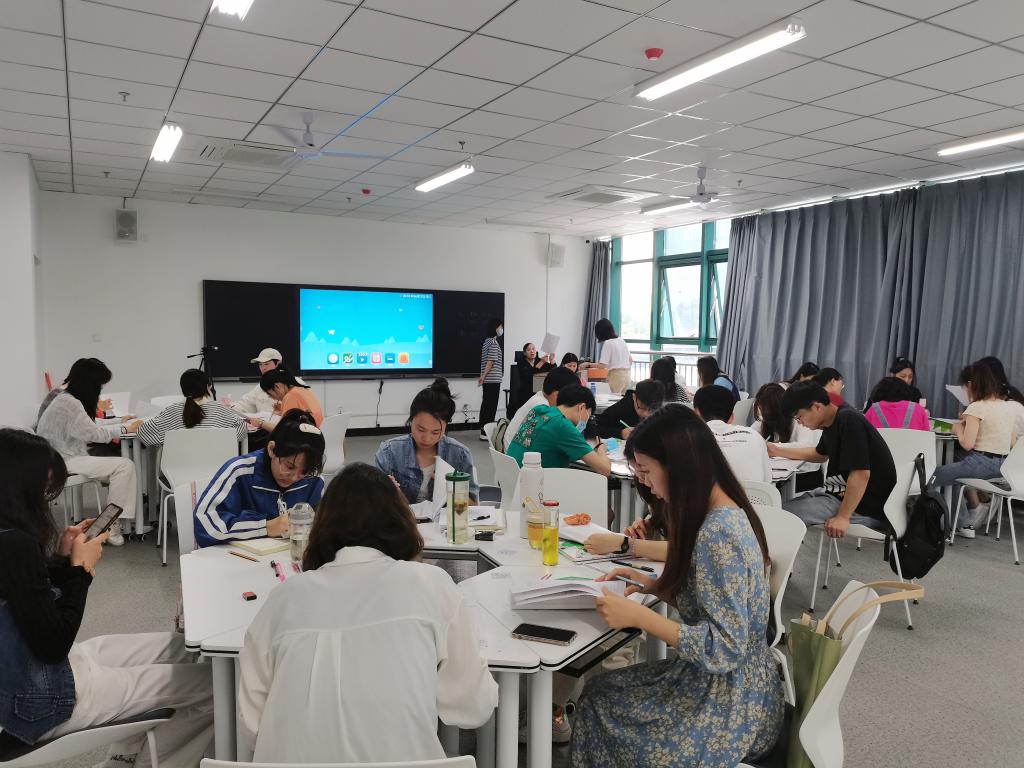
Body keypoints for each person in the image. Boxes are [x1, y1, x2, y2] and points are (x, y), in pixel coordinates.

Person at [237, 462, 497, 763]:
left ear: (321, 527)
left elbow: (252, 727)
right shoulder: (430, 585)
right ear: (401, 523)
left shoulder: (284, 598)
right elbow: (472, 708)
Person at [568, 405, 783, 766]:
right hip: (735, 684)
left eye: (646, 471)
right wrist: (653, 586)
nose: (646, 483)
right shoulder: (718, 511)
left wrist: (640, 617)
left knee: (601, 703)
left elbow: (724, 649)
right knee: (601, 692)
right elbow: (713, 602)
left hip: (733, 703)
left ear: (679, 466)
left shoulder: (719, 534)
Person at [0, 428, 213, 765]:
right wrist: (80, 571)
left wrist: (60, 560)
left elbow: (26, 605)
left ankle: (126, 758)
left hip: (30, 679)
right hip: (43, 697)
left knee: (181, 647)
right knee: (213, 686)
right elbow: (53, 644)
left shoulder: (10, 540)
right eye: (43, 489)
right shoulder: (15, 545)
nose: (47, 501)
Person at [36, 358, 140, 547]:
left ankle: (110, 522)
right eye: (99, 385)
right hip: (62, 460)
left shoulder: (65, 399)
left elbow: (89, 425)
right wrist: (125, 428)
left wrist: (120, 422)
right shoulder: (70, 403)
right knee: (125, 466)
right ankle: (109, 526)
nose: (100, 389)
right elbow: (94, 433)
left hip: (58, 457)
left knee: (121, 470)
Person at [770, 382, 897, 536]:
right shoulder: (833, 417)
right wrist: (777, 450)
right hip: (836, 493)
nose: (801, 423)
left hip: (862, 506)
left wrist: (843, 517)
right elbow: (819, 455)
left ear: (817, 407)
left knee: (778, 516)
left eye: (799, 417)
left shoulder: (848, 420)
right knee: (776, 507)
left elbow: (861, 474)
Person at [194, 410, 325, 547]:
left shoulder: (313, 479)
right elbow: (204, 525)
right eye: (289, 467)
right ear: (272, 449)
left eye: (304, 471)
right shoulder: (240, 471)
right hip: (240, 557)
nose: (294, 477)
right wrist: (266, 527)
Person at [934, 362, 1024, 538]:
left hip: (980, 464)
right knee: (954, 471)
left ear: (970, 384)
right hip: (1004, 467)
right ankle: (960, 523)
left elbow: (967, 444)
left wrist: (959, 430)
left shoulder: (976, 407)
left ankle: (939, 524)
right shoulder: (1006, 406)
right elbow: (1012, 441)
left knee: (935, 475)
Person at [373, 379, 479, 506]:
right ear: (411, 419)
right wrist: (389, 494)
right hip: (402, 518)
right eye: (421, 429)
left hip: (446, 519)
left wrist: (451, 492)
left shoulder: (460, 454)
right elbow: (372, 501)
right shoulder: (389, 452)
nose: (427, 438)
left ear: (446, 426)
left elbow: (474, 504)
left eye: (435, 432)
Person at [507, 384, 611, 476]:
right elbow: (605, 470)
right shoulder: (562, 425)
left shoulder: (539, 409)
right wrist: (600, 447)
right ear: (582, 407)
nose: (586, 420)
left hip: (511, 478)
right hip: (532, 485)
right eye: (589, 414)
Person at [136, 368, 247, 446]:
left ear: (183, 390)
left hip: (177, 471)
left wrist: (165, 440)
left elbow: (142, 433)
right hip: (217, 469)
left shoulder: (172, 411)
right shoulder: (221, 409)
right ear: (208, 387)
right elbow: (242, 429)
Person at [693, 385, 771, 483]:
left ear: (695, 414)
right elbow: (767, 482)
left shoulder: (689, 440)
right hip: (753, 493)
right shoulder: (755, 436)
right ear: (732, 417)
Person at [504, 366, 579, 451]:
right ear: (557, 395)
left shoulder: (539, 397)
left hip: (512, 450)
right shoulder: (543, 407)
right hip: (516, 454)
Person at [248, 366, 323, 430]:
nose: (273, 398)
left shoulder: (290, 396)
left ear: (277, 386)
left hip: (304, 438)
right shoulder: (301, 389)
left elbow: (283, 430)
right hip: (314, 434)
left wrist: (260, 423)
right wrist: (282, 409)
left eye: (270, 394)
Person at [752, 383, 820, 446]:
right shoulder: (764, 419)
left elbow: (807, 445)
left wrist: (775, 447)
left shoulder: (799, 419)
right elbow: (749, 435)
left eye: (767, 413)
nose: (763, 416)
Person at [596, 379, 664, 439]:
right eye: (642, 408)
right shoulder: (622, 407)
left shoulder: (661, 409)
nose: (646, 414)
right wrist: (620, 433)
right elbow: (596, 427)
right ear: (634, 397)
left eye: (652, 409)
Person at [580, 319, 632, 394]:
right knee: (622, 399)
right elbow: (630, 360)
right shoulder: (622, 340)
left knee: (613, 399)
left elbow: (602, 365)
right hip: (627, 375)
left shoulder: (608, 343)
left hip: (616, 376)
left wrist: (588, 364)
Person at [863, 377, 931, 431]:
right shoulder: (918, 409)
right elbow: (927, 436)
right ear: (905, 391)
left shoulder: (873, 410)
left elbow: (865, 435)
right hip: (913, 445)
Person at [232, 347, 285, 414]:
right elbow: (244, 405)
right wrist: (228, 407)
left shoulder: (293, 384)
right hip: (261, 420)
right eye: (260, 364)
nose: (263, 368)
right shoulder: (260, 387)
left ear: (278, 363)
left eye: (266, 364)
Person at [478, 317, 503, 441]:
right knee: (491, 406)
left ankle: (483, 430)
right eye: (500, 326)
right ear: (495, 327)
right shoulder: (493, 342)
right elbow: (490, 361)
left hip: (488, 379)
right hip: (493, 379)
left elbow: (486, 361)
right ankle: (486, 432)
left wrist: (483, 376)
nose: (501, 329)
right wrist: (483, 376)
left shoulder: (486, 341)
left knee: (486, 404)